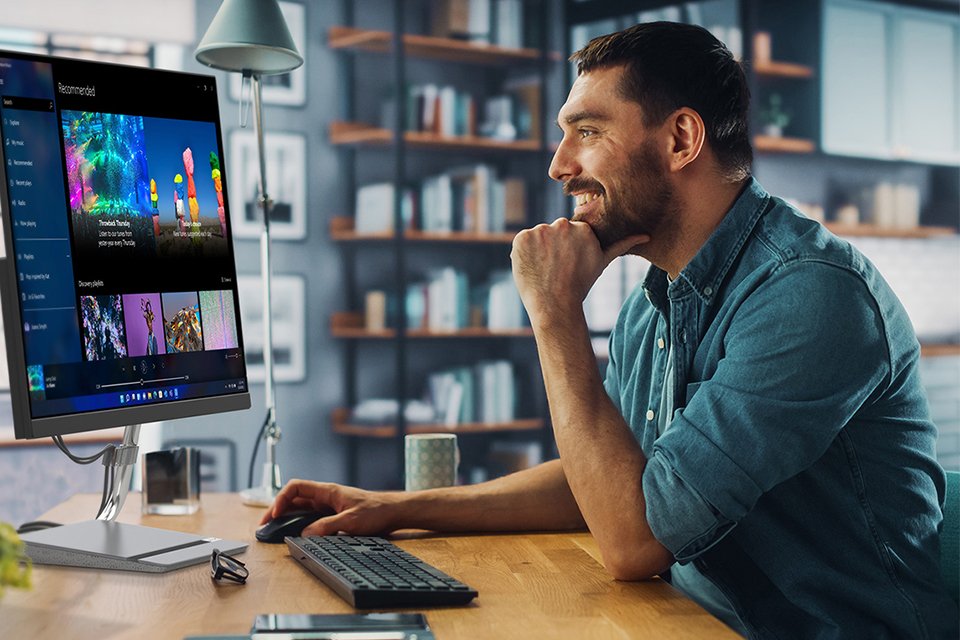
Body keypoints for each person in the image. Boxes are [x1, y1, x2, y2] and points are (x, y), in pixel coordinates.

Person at [263, 22, 958, 638]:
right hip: (689, 622)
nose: (559, 165)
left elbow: (633, 539)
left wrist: (555, 312)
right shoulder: (652, 300)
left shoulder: (809, 297)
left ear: (682, 138)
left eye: (587, 132)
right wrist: (390, 510)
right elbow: (613, 484)